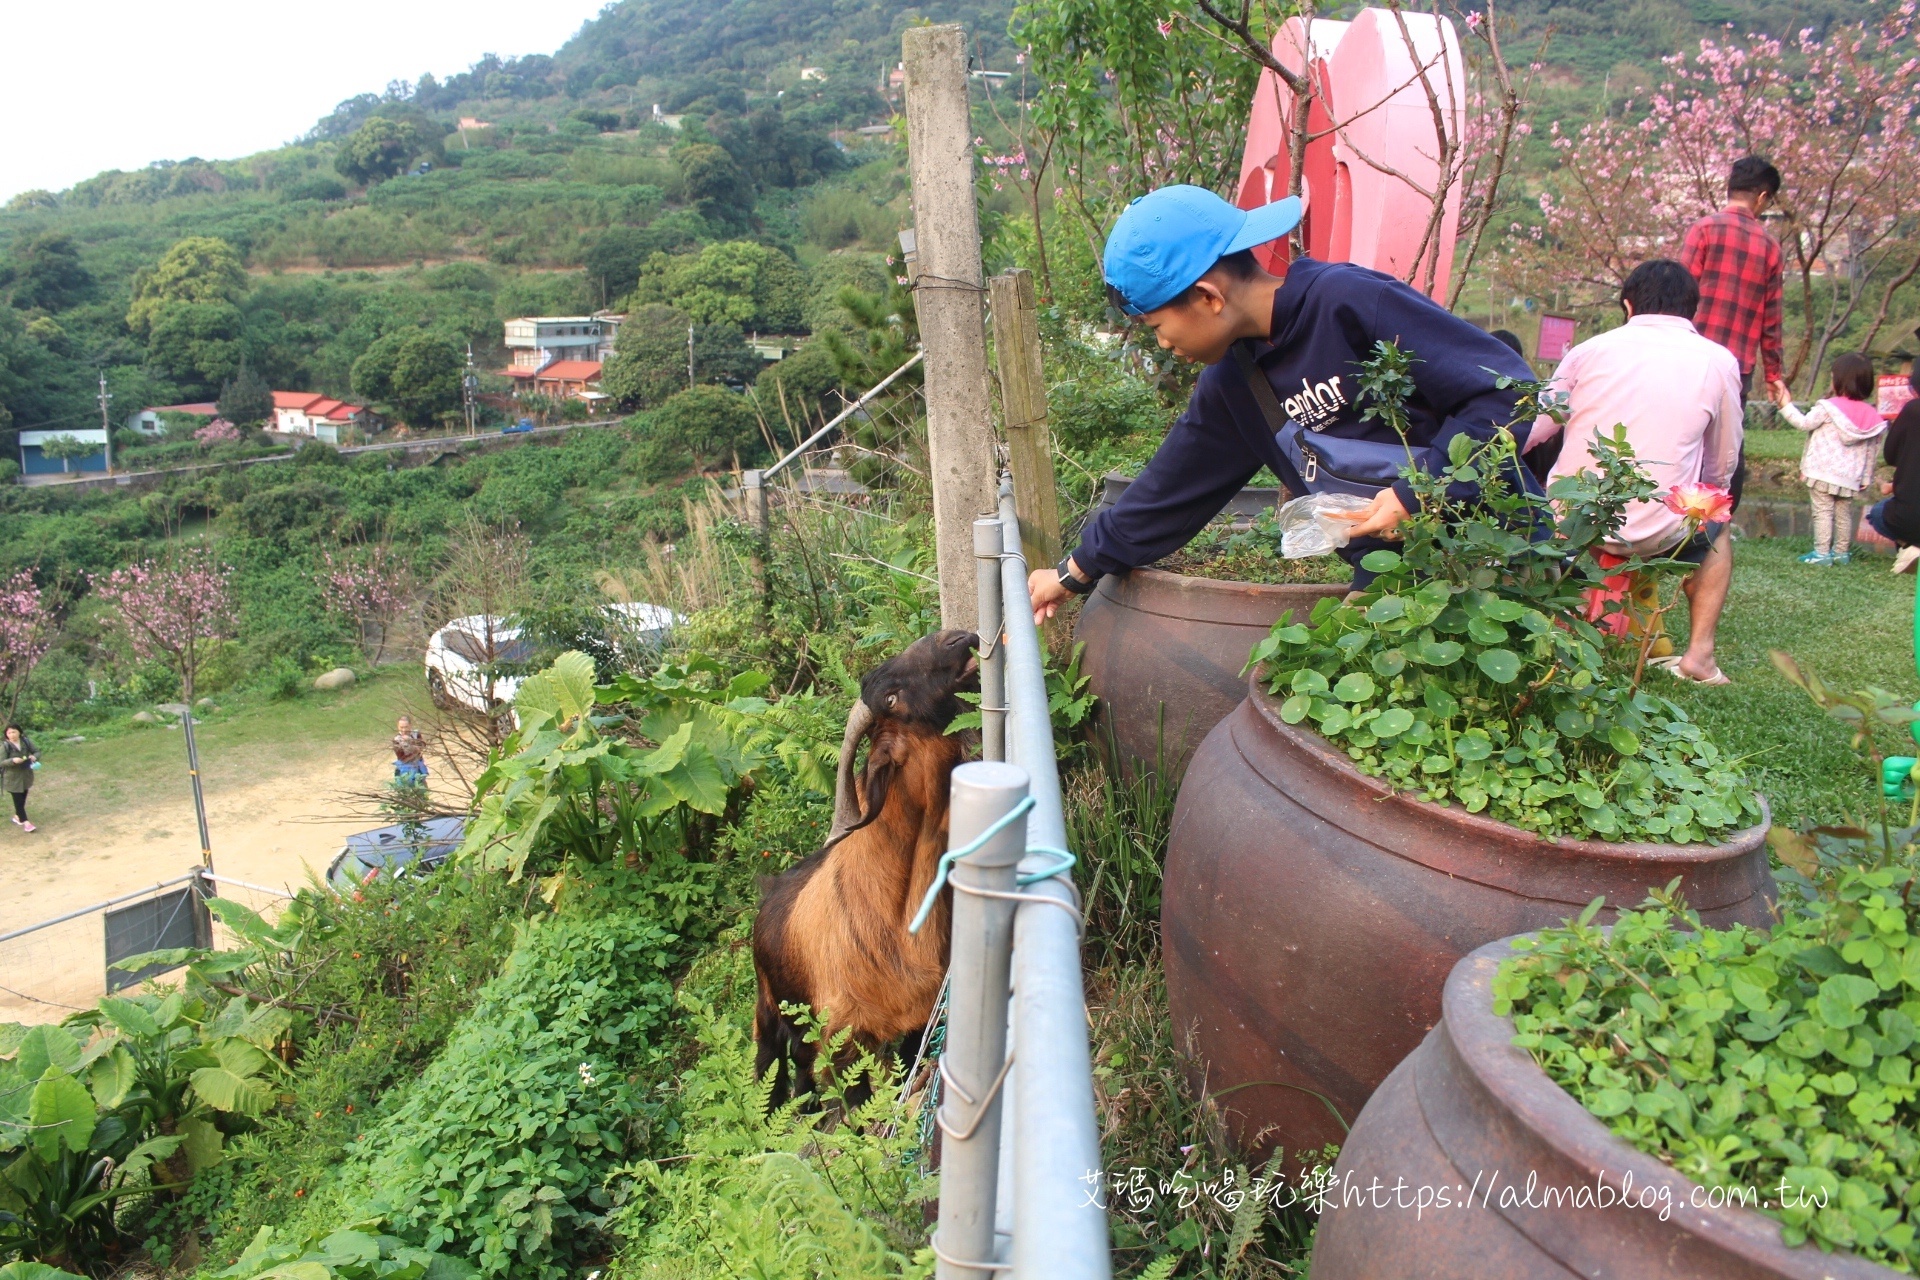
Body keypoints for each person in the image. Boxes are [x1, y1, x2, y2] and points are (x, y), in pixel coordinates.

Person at [1028, 185, 1535, 620]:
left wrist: (1420, 492)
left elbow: (1506, 392)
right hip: (1389, 572)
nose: (1162, 344)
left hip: (1500, 556)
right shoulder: (1236, 381)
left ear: (1208, 296)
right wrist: (1072, 573)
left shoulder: (1347, 303)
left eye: (1157, 326)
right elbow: (1170, 488)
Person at [1528, 259, 1744, 686]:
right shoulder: (1718, 361)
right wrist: (1710, 501)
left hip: (1572, 517)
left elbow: (1534, 429)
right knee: (1718, 535)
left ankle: (1555, 631)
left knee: (1554, 502)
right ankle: (1699, 656)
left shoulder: (1588, 351)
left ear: (1628, 304)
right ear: (1692, 311)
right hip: (1660, 528)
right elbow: (1723, 458)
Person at [1682, 155, 1787, 406]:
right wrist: (1773, 374)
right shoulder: (1770, 248)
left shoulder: (1703, 229)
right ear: (1762, 198)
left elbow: (1680, 295)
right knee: (1728, 442)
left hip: (1691, 358)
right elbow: (1771, 323)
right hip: (1736, 367)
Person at [1774, 353, 1885, 565]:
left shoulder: (1828, 408)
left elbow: (1803, 423)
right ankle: (1841, 553)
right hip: (1850, 477)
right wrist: (1865, 478)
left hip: (1822, 471)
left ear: (1839, 380)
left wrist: (1785, 405)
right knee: (1844, 514)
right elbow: (1872, 451)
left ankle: (1822, 554)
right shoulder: (1872, 417)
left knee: (1823, 512)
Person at [1866, 364, 1920, 574]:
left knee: (1877, 513)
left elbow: (1891, 455)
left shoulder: (1913, 409)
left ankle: (1910, 547)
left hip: (1907, 517)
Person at [3, 725, 38, 833]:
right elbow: (1, 762)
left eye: (14, 732)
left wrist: (34, 757)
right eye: (9, 733)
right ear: (6, 735)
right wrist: (12, 760)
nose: (12, 735)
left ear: (19, 732)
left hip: (26, 776)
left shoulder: (26, 742)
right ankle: (26, 823)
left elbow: (37, 751)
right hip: (12, 779)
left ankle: (17, 817)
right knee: (18, 801)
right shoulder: (5, 746)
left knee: (22, 798)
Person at [392, 716, 428, 781]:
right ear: (398, 727)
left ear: (410, 726)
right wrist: (416, 750)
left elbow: (423, 745)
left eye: (406, 727)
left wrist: (411, 741)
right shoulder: (396, 740)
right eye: (401, 727)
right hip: (406, 769)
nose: (404, 730)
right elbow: (402, 758)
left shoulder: (416, 734)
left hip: (419, 767)